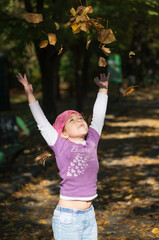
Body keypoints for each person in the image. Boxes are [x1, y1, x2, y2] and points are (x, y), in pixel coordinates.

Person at [16, 72, 109, 240]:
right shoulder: (61, 145)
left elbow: (99, 116)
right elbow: (42, 123)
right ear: (64, 134)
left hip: (89, 215)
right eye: (71, 120)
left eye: (80, 117)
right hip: (68, 219)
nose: (79, 120)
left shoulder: (92, 141)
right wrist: (29, 93)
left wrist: (103, 89)